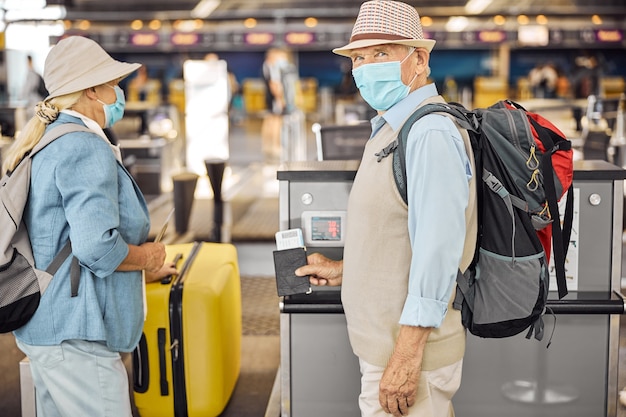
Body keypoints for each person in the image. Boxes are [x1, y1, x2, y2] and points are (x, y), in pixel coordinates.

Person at [294, 2, 477, 417]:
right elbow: (399, 234)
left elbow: (437, 253)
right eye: (359, 57)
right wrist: (346, 269)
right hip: (386, 347)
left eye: (382, 53)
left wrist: (407, 358)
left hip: (410, 354)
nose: (366, 66)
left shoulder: (429, 133)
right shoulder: (393, 128)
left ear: (420, 59)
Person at [2, 36, 178, 417]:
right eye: (112, 83)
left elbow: (60, 243)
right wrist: (147, 256)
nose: (118, 92)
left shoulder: (51, 140)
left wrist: (139, 273)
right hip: (76, 332)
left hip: (53, 324)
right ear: (92, 91)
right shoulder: (83, 146)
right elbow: (96, 248)